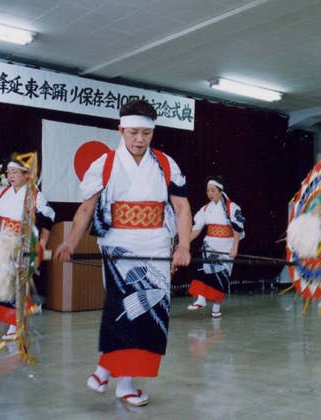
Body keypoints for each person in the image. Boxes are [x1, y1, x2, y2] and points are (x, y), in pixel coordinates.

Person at [54, 99, 191, 407]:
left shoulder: (167, 164)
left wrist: (183, 245)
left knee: (148, 313)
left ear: (153, 132)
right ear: (121, 129)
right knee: (126, 307)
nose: (139, 140)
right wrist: (71, 242)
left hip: (156, 245)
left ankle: (107, 372)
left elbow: (182, 208)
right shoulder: (103, 164)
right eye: (132, 133)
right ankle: (121, 383)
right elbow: (86, 208)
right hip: (117, 246)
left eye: (145, 133)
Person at [0, 160, 54, 341]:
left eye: (15, 172)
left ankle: (16, 324)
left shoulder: (35, 195)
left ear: (25, 175)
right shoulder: (2, 193)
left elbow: (48, 219)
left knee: (14, 285)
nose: (10, 176)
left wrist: (42, 245)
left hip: (22, 244)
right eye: (8, 172)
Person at [187, 176, 244, 318]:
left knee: (221, 277)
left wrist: (235, 247)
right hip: (210, 244)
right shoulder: (206, 209)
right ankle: (200, 299)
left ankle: (217, 307)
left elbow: (237, 228)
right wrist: (184, 243)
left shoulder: (232, 207)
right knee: (202, 271)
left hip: (226, 247)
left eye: (213, 190)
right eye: (208, 191)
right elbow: (197, 229)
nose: (210, 194)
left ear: (220, 191)